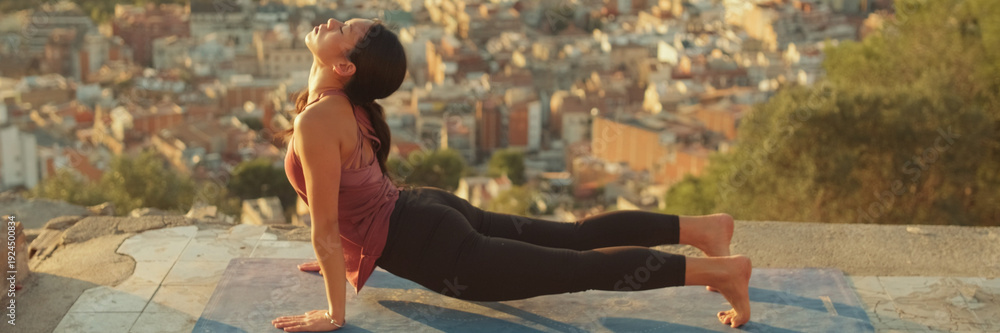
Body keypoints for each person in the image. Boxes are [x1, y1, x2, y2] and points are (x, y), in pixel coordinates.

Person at [270, 18, 752, 332]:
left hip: (430, 241)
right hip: (426, 212)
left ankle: (719, 271)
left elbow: (327, 226)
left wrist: (335, 314)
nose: (333, 20)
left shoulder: (319, 117)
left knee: (577, 268)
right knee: (574, 238)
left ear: (343, 64)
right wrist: (345, 255)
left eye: (346, 28)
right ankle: (704, 229)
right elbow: (350, 204)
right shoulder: (335, 106)